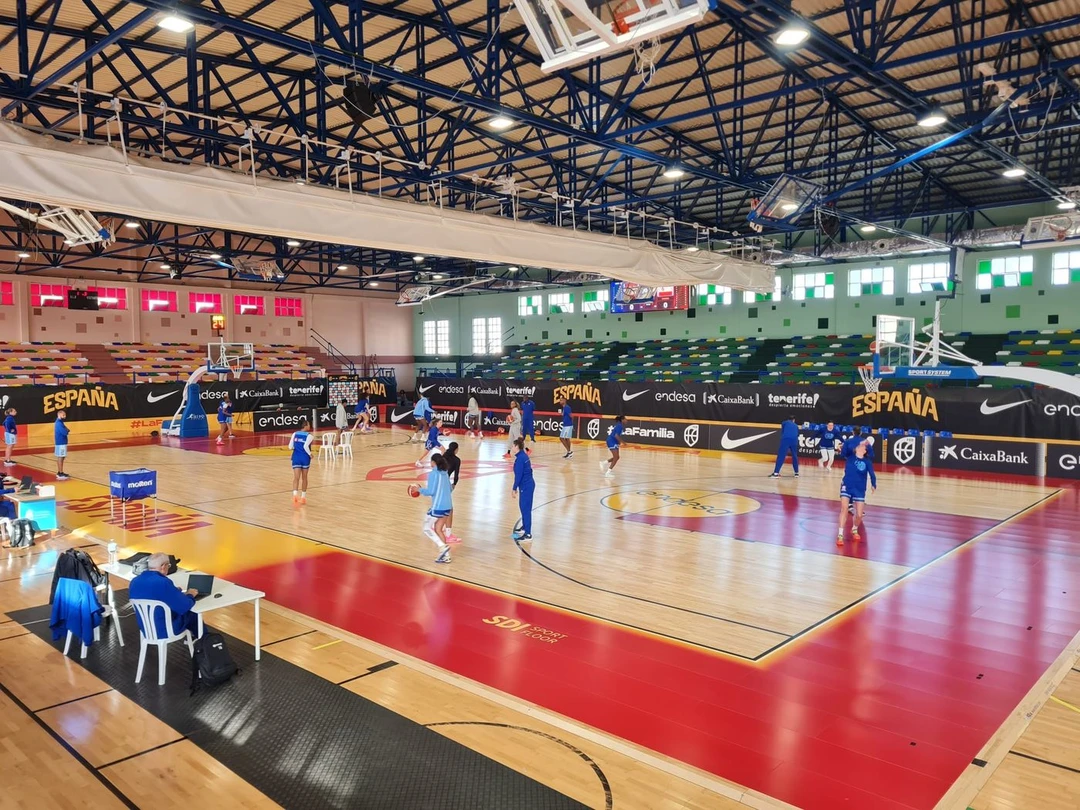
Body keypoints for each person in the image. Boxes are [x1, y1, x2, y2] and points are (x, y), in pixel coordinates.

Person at [129, 551, 201, 638]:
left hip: (145, 628)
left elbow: (152, 595)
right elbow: (184, 606)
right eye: (169, 566)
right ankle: (205, 642)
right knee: (193, 616)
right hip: (164, 629)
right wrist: (190, 595)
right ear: (163, 566)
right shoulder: (163, 582)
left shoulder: (134, 581)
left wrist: (173, 591)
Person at [411, 453, 454, 564]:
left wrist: (418, 489)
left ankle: (442, 547)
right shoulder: (445, 474)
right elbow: (450, 489)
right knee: (438, 528)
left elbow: (431, 492)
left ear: (433, 463)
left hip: (438, 507)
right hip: (448, 507)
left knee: (426, 528)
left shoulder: (433, 474)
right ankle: (446, 556)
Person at [837, 437, 877, 545]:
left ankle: (854, 528)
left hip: (859, 488)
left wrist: (874, 484)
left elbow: (872, 474)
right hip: (847, 485)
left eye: (863, 446)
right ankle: (840, 534)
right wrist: (859, 442)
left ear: (865, 451)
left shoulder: (867, 462)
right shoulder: (850, 457)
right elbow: (845, 448)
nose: (860, 446)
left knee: (859, 514)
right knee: (844, 509)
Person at [511, 437, 535, 542]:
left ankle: (528, 533)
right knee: (523, 507)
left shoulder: (520, 459)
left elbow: (519, 475)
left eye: (513, 446)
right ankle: (525, 527)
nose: (511, 448)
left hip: (526, 486)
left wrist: (514, 487)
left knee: (525, 508)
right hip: (527, 485)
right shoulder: (522, 456)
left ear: (517, 447)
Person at [441, 442, 463, 544]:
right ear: (456, 449)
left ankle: (435, 525)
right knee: (449, 509)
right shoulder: (457, 460)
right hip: (445, 483)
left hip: (438, 481)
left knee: (439, 504)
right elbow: (456, 475)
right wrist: (454, 484)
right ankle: (448, 534)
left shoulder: (443, 457)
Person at [289, 418, 315, 504]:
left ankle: (295, 495)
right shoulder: (309, 436)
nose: (310, 426)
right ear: (305, 426)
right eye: (309, 424)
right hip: (305, 458)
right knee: (304, 478)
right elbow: (305, 446)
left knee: (296, 477)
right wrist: (310, 454)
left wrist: (296, 447)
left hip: (296, 457)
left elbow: (290, 447)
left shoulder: (295, 434)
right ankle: (303, 497)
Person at [55, 409, 70, 480]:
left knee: (61, 457)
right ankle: (60, 473)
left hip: (61, 442)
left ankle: (60, 472)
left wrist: (66, 430)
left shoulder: (60, 422)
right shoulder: (59, 423)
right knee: (61, 457)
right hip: (61, 442)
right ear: (59, 415)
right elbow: (65, 432)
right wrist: (66, 430)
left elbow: (66, 429)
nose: (65, 416)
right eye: (63, 415)